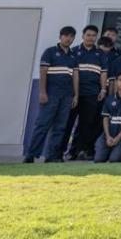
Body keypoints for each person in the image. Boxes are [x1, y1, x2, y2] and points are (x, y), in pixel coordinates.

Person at [23, 26, 79, 163]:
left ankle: (52, 156)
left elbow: (75, 76)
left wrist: (75, 95)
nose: (68, 39)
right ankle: (31, 155)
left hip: (67, 96)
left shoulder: (73, 56)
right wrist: (42, 92)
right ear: (60, 37)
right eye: (66, 35)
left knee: (60, 127)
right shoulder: (50, 52)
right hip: (51, 94)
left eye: (71, 36)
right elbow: (43, 72)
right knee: (42, 124)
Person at [67, 24, 108, 160]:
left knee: (86, 125)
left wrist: (103, 89)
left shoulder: (100, 54)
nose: (91, 38)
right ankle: (64, 152)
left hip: (92, 94)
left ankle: (80, 151)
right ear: (83, 36)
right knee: (68, 123)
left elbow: (103, 74)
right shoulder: (73, 52)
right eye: (88, 35)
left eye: (93, 36)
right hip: (73, 94)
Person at [95, 70, 121, 163]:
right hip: (109, 133)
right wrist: (108, 136)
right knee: (98, 160)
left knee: (115, 160)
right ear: (116, 82)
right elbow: (105, 119)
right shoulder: (110, 99)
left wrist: (118, 137)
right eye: (120, 80)